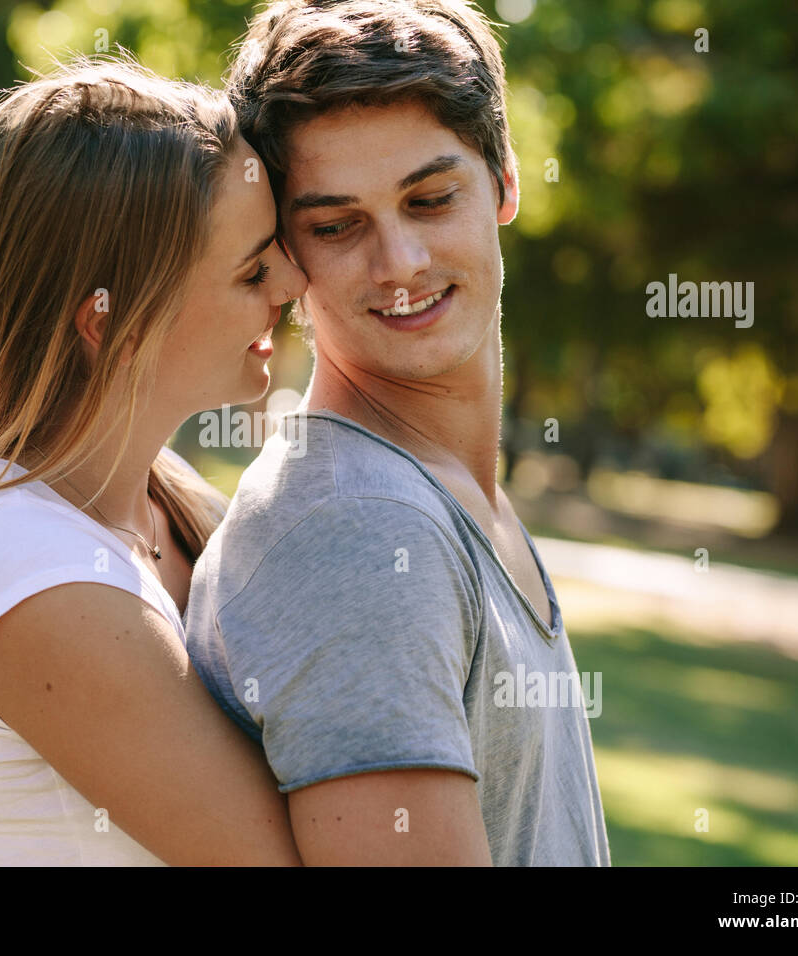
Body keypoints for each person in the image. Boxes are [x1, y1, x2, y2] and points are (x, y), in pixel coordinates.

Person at [184, 0, 612, 865]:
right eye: (337, 226)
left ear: (505, 182)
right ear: (284, 251)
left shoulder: (431, 488)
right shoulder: (360, 529)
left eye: (430, 198)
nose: (401, 264)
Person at [0, 56, 306, 865]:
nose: (292, 280)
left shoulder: (163, 497)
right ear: (108, 323)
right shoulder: (23, 568)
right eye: (253, 267)